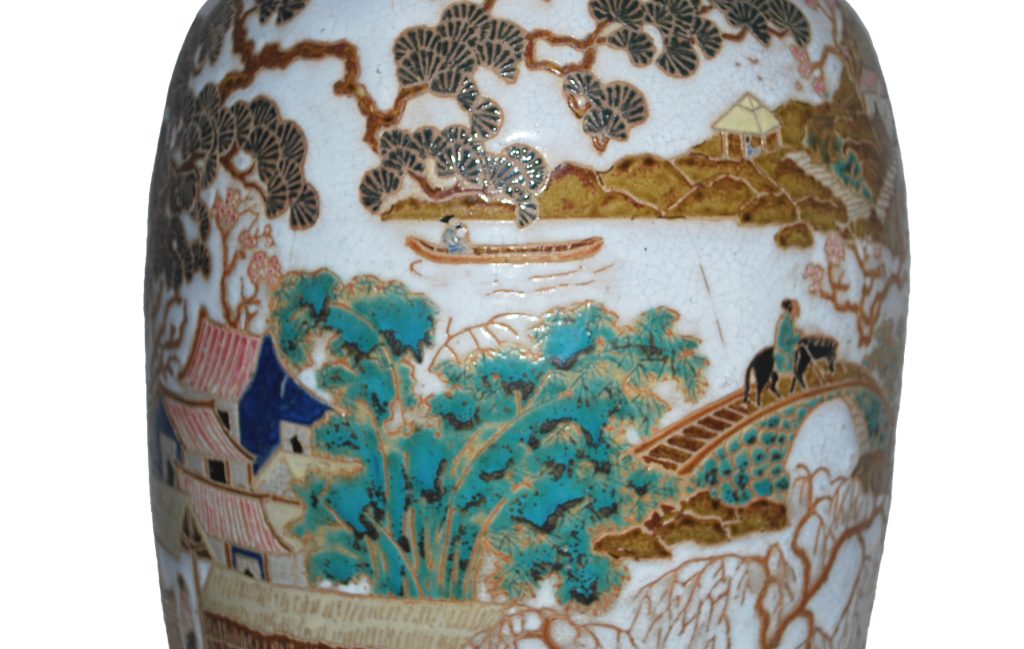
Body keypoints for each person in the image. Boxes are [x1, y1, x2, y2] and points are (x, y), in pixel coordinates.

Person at [773, 298, 803, 394]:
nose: (798, 310)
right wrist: (799, 335)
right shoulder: (786, 322)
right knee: (800, 358)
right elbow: (788, 340)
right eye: (796, 308)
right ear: (791, 309)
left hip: (786, 347)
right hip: (784, 350)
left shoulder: (788, 320)